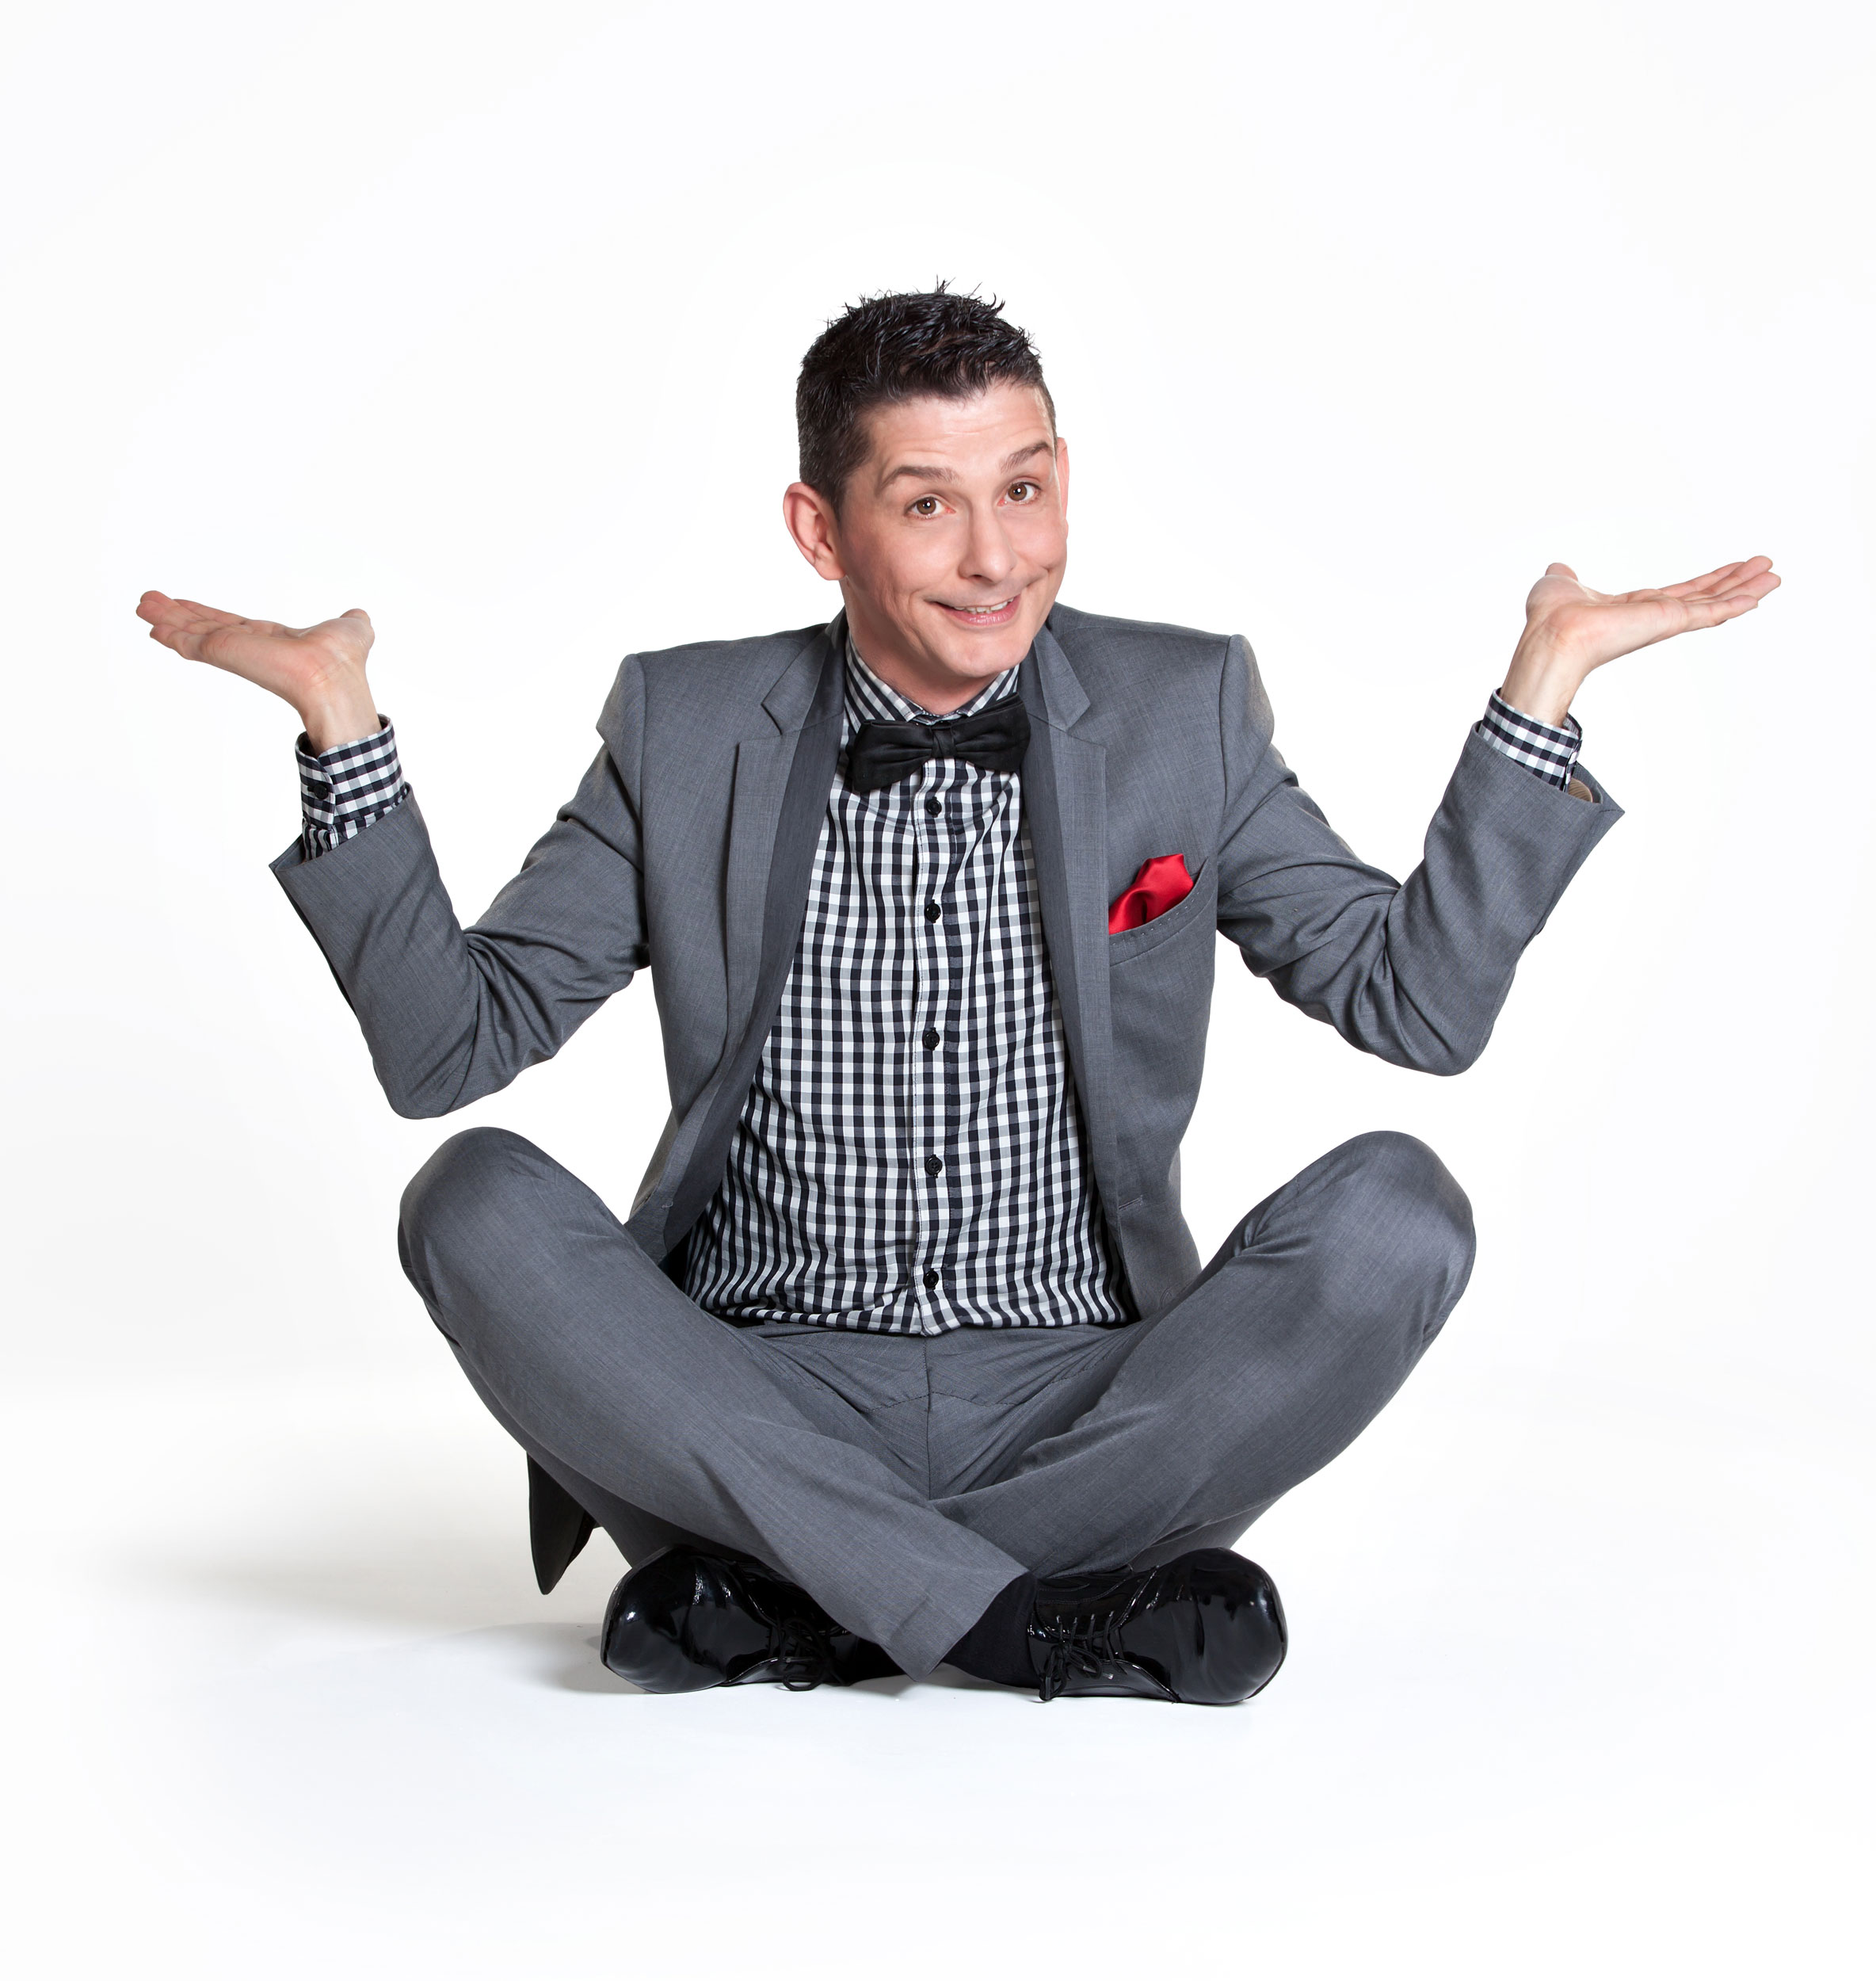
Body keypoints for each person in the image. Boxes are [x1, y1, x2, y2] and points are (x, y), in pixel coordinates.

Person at [137, 288, 1778, 1705]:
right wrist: (341, 727)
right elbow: (450, 1047)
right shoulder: (687, 725)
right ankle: (1024, 1622)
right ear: (819, 529)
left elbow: (1413, 1006)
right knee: (470, 1198)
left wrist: (1545, 683)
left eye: (1026, 488)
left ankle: (804, 1601)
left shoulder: (1182, 707)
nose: (997, 557)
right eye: (927, 505)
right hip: (753, 1396)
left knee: (1398, 1216)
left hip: (1088, 1407)